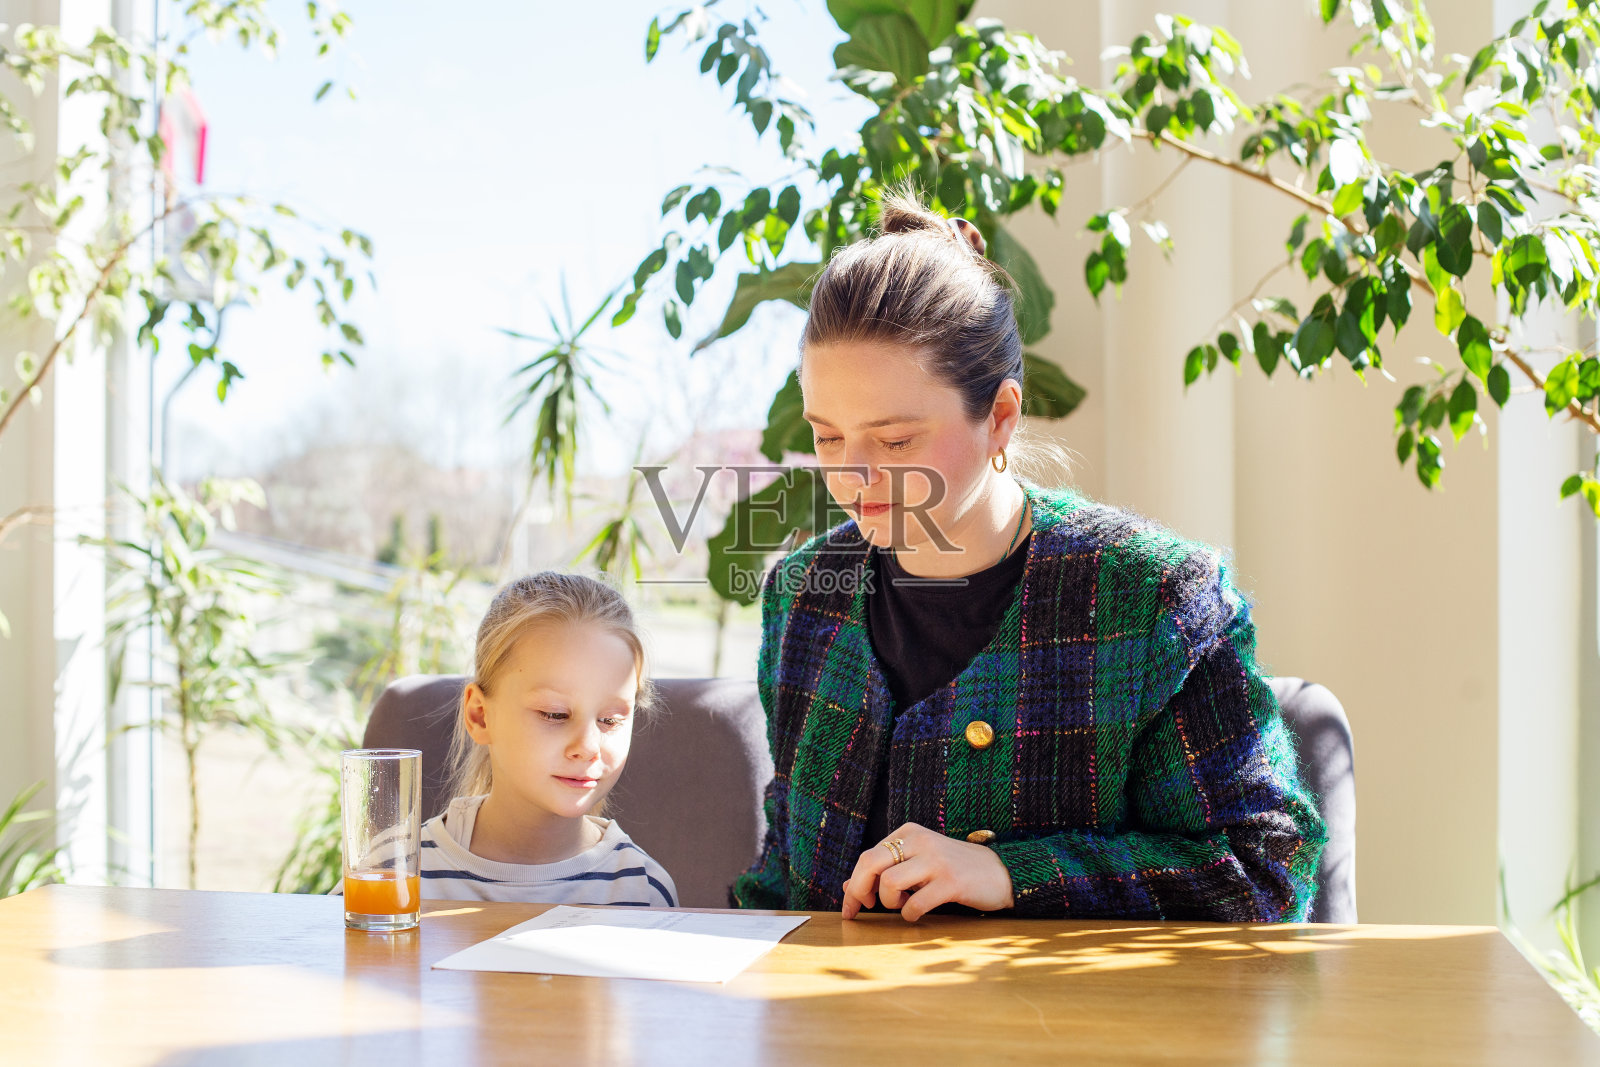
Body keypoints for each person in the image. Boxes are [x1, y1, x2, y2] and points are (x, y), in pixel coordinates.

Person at [731, 191, 1326, 923]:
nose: (852, 479)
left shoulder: (1152, 597)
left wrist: (1012, 872)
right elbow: (784, 878)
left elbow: (1263, 870)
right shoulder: (802, 596)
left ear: (1001, 415)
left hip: (1076, 1034)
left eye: (895, 441)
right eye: (827, 436)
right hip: (833, 1031)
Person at [394, 571, 675, 905]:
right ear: (480, 716)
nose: (587, 747)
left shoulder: (643, 890)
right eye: (554, 714)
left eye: (609, 720)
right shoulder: (391, 872)